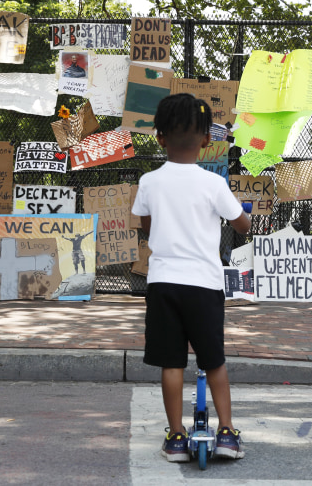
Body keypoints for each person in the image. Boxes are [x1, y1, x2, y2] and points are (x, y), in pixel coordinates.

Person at [131, 93, 251, 462]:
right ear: (206, 140)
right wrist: (238, 213)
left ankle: (177, 437)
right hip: (205, 284)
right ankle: (227, 433)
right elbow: (242, 224)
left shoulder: (149, 181)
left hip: (164, 283)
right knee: (213, 361)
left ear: (159, 137)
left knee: (172, 363)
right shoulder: (213, 184)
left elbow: (146, 226)